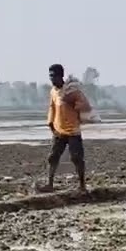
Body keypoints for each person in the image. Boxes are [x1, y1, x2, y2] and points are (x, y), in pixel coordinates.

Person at [44, 63, 92, 192]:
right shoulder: (53, 91)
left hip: (73, 130)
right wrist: (50, 122)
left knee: (76, 158)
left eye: (53, 76)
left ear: (60, 76)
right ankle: (50, 184)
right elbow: (52, 108)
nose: (51, 79)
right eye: (50, 76)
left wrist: (74, 103)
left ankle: (82, 185)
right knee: (53, 157)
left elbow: (84, 105)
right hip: (59, 130)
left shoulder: (71, 91)